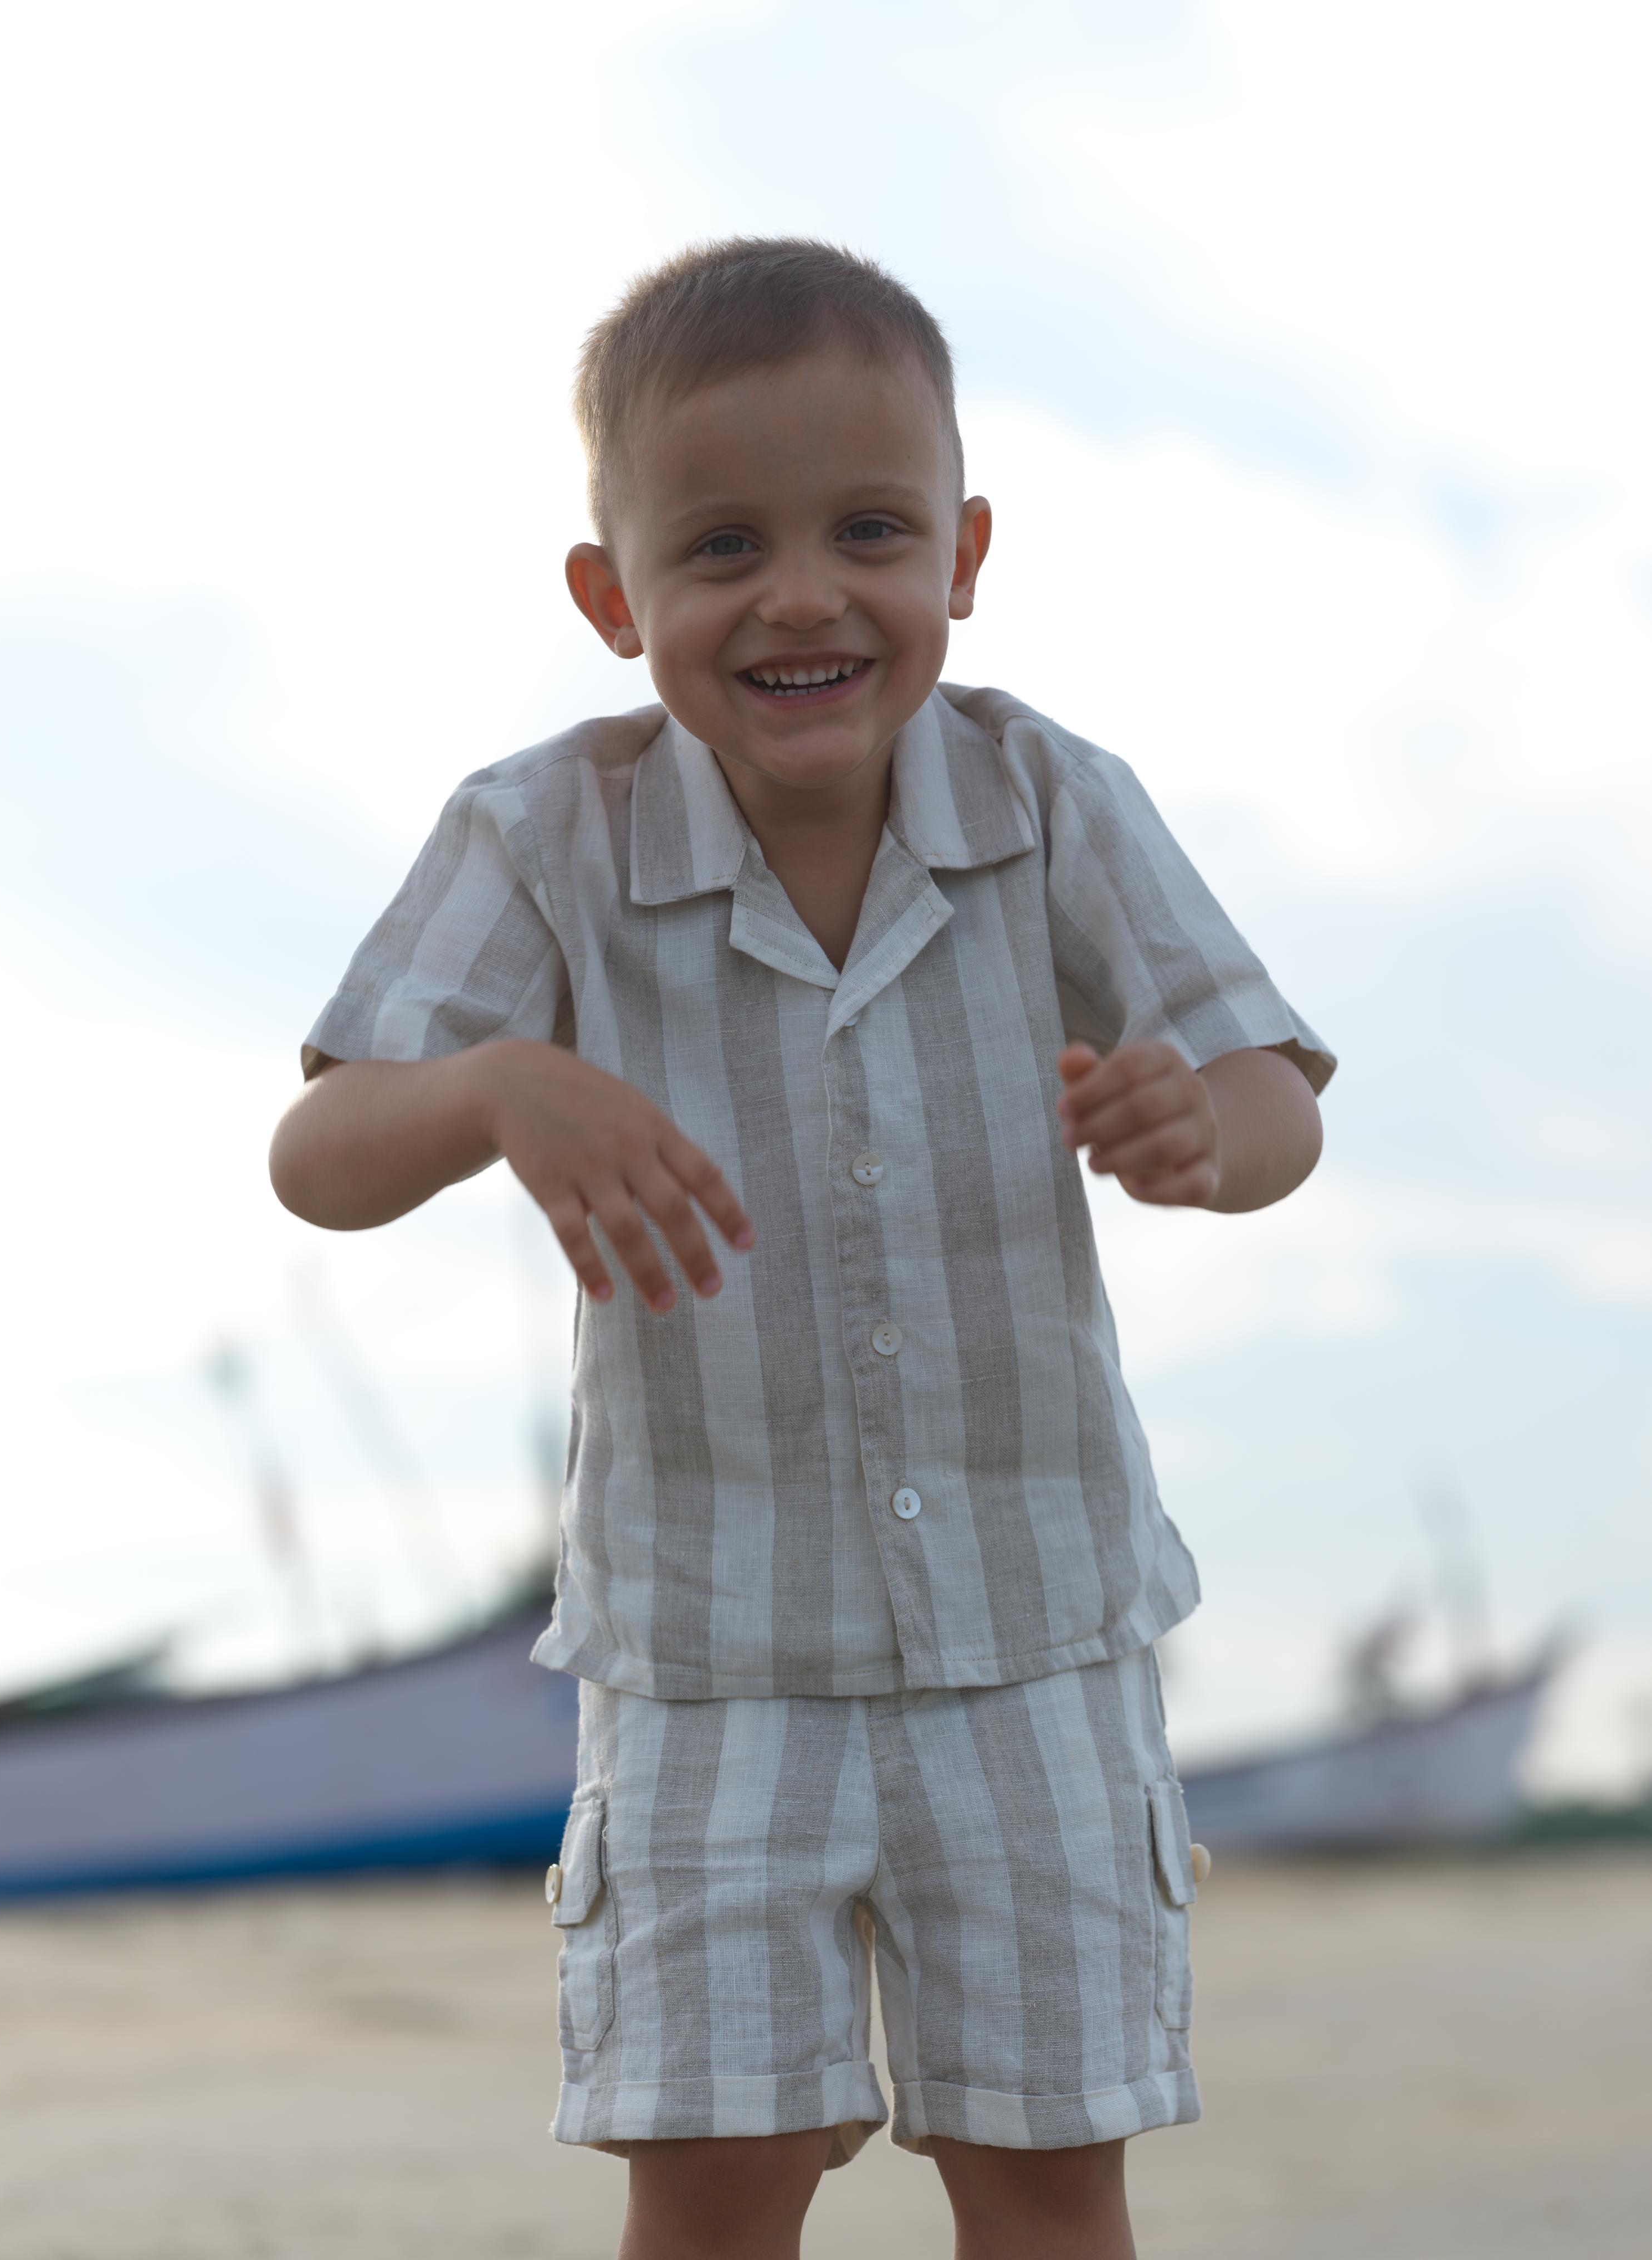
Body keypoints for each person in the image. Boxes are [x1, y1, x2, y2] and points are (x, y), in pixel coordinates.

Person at [269, 237, 1332, 2260]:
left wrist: (1209, 1135)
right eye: (720, 547)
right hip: (706, 1663)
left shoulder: (1050, 799)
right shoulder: (541, 836)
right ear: (610, 598)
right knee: (712, 2183)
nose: (801, 596)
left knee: (1048, 2180)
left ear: (963, 554)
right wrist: (494, 1084)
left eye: (869, 532)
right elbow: (319, 1156)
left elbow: (1269, 1090)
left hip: (1035, 1639)